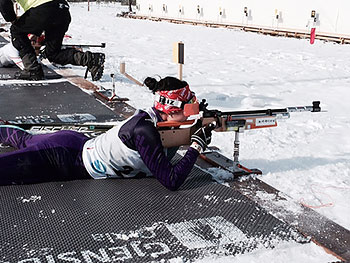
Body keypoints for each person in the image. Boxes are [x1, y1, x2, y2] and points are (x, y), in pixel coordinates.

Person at [0, 76, 214, 190]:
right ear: (172, 108)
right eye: (188, 107)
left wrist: (198, 127)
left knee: (24, 139)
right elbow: (171, 181)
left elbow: (168, 145)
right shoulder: (144, 130)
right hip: (62, 157)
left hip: (75, 143)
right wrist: (195, 147)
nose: (191, 112)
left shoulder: (156, 121)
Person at [0, 0, 104, 81]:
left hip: (43, 10)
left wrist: (12, 19)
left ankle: (32, 69)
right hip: (62, 10)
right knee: (53, 53)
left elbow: (4, 2)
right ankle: (91, 59)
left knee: (16, 31)